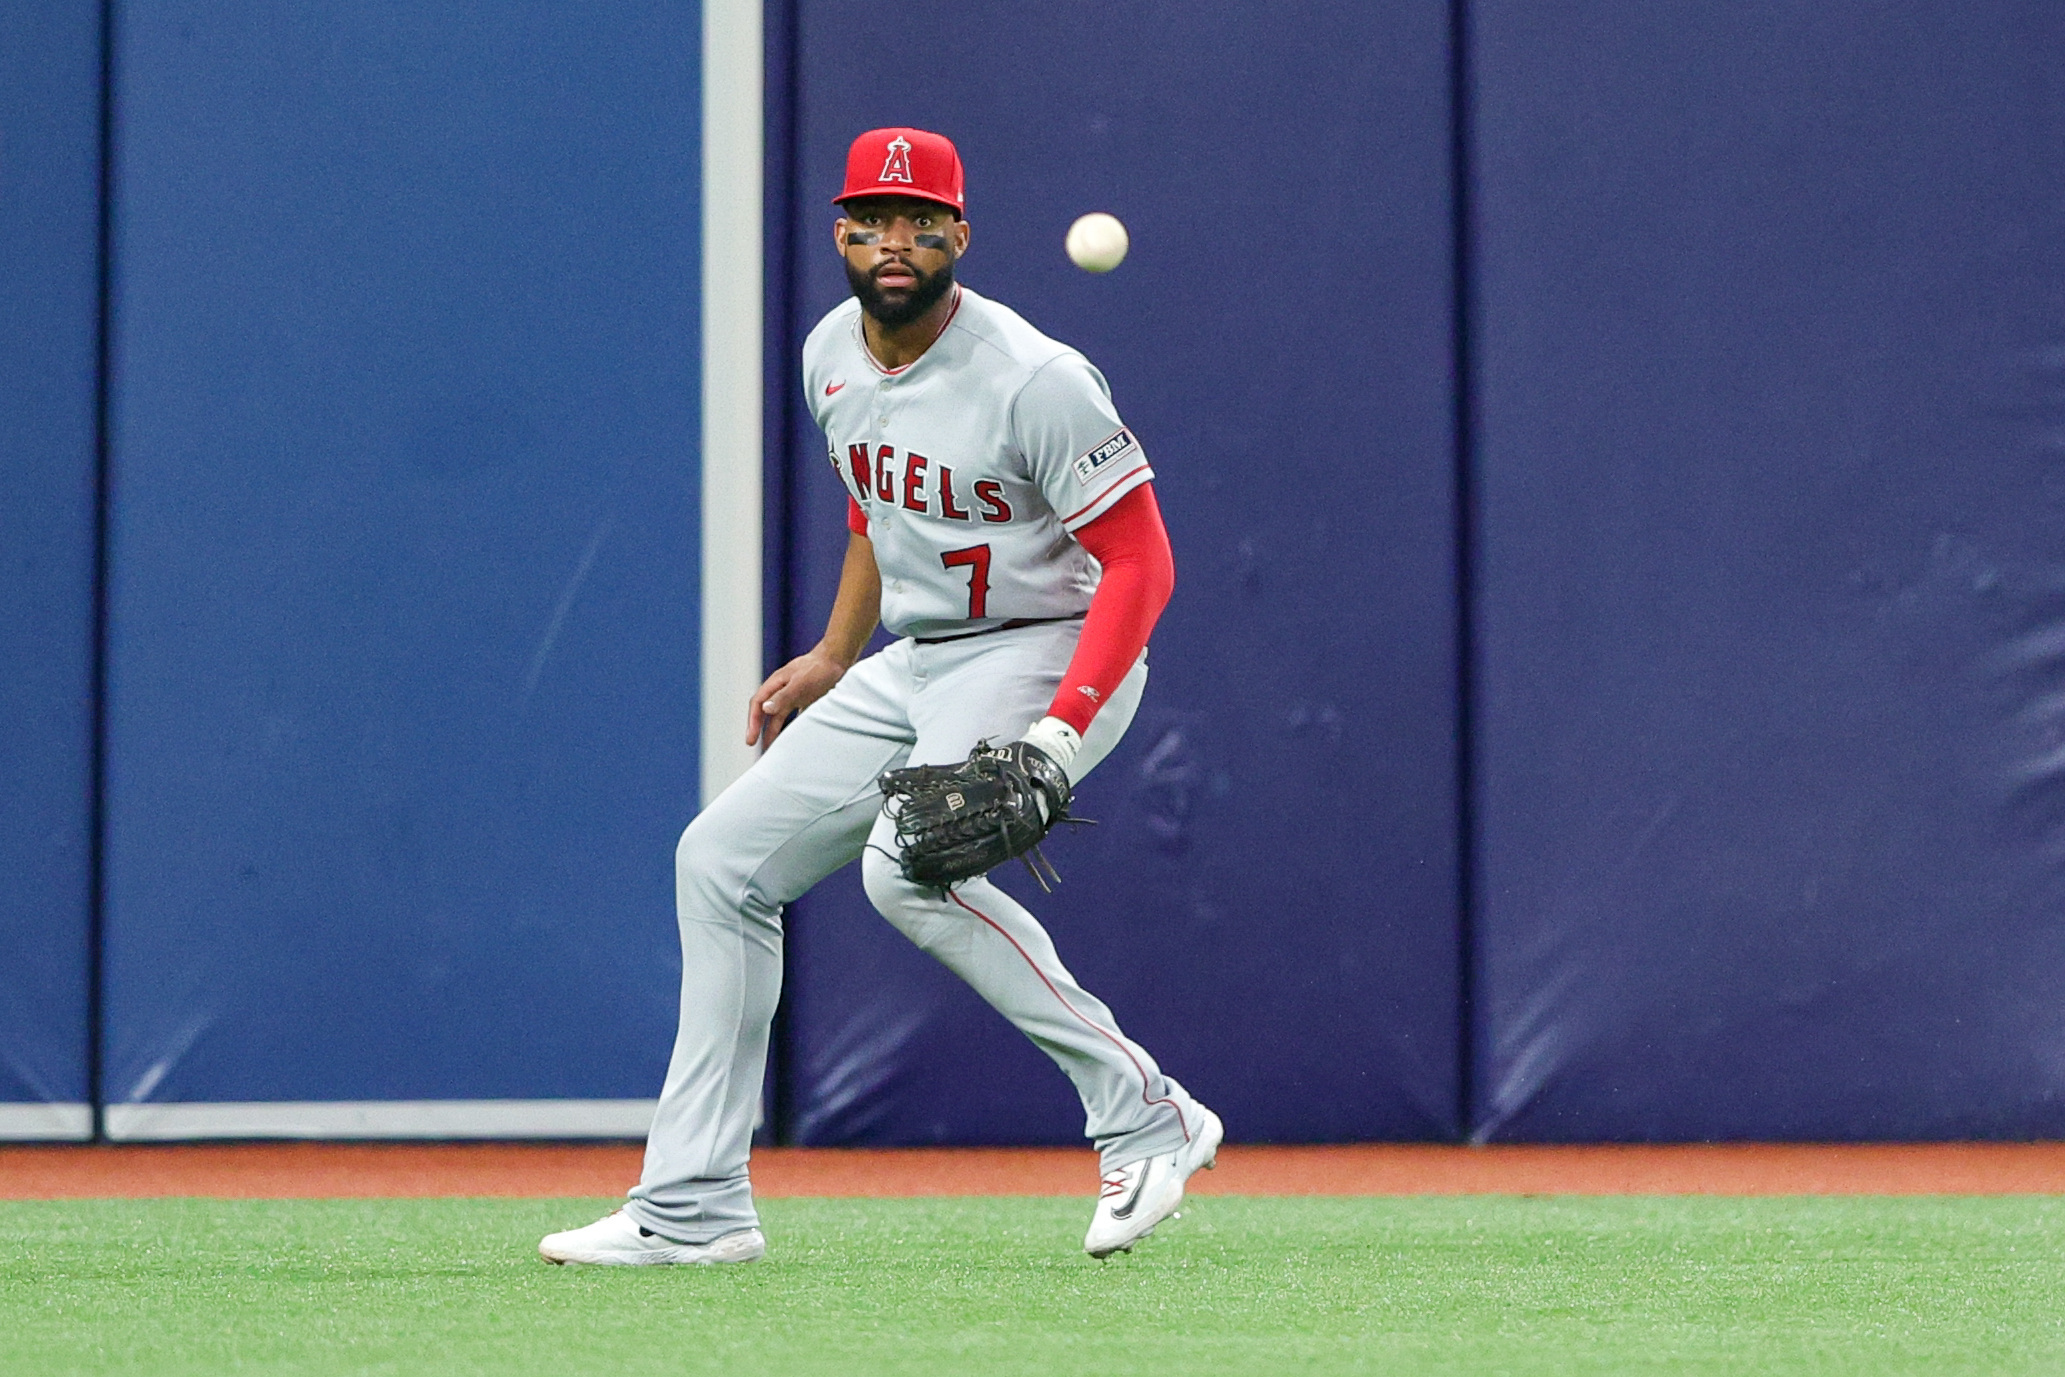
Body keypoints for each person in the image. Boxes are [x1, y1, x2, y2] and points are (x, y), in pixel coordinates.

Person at [540, 127, 1219, 1266]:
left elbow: (1143, 564)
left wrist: (1058, 732)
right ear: (842, 232)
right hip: (916, 656)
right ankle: (693, 1208)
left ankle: (1145, 1116)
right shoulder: (831, 354)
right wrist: (831, 653)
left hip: (1044, 643)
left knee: (904, 868)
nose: (892, 241)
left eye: (919, 221)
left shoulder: (1033, 378)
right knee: (719, 865)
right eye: (871, 219)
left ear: (959, 233)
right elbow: (876, 508)